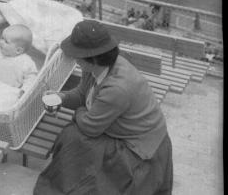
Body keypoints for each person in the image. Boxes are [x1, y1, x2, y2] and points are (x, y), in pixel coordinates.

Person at [33, 20, 173, 195]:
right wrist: (61, 98)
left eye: (77, 54)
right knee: (73, 138)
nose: (74, 58)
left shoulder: (117, 88)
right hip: (116, 128)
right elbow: (82, 95)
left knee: (74, 137)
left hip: (139, 148)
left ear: (92, 58)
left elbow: (90, 127)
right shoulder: (94, 67)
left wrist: (80, 111)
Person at [0, 24, 37, 91]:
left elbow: (31, 77)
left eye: (6, 42)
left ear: (18, 50)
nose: (1, 42)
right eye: (2, 38)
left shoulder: (26, 62)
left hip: (11, 90)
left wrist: (25, 89)